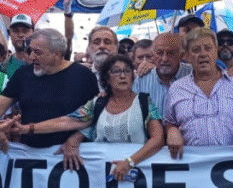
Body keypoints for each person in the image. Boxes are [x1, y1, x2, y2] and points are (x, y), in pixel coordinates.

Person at [0, 29, 99, 164]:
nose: (31, 57)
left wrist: (75, 139)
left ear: (56, 54)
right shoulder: (23, 74)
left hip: (70, 157)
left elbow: (95, 117)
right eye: (30, 50)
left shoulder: (83, 76)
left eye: (37, 52)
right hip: (31, 157)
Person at [24, 54, 165, 179]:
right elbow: (67, 121)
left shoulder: (144, 102)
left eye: (127, 71)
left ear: (132, 77)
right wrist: (28, 129)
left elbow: (158, 139)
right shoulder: (97, 104)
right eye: (116, 71)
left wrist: (129, 162)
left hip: (137, 176)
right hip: (101, 179)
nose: (123, 75)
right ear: (106, 78)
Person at [164, 28, 233, 158]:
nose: (203, 54)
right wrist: (172, 131)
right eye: (196, 50)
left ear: (215, 51)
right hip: (191, 167)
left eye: (208, 48)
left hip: (232, 163)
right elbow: (170, 122)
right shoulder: (176, 89)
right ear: (187, 56)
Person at [133, 33, 192, 113]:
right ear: (153, 55)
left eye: (170, 53)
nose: (164, 59)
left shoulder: (194, 74)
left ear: (181, 56)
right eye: (160, 53)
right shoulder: (141, 81)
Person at [1, 13, 35, 78]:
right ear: (10, 34)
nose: (20, 35)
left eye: (25, 31)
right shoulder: (2, 67)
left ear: (33, 33)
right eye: (16, 31)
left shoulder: (44, 65)